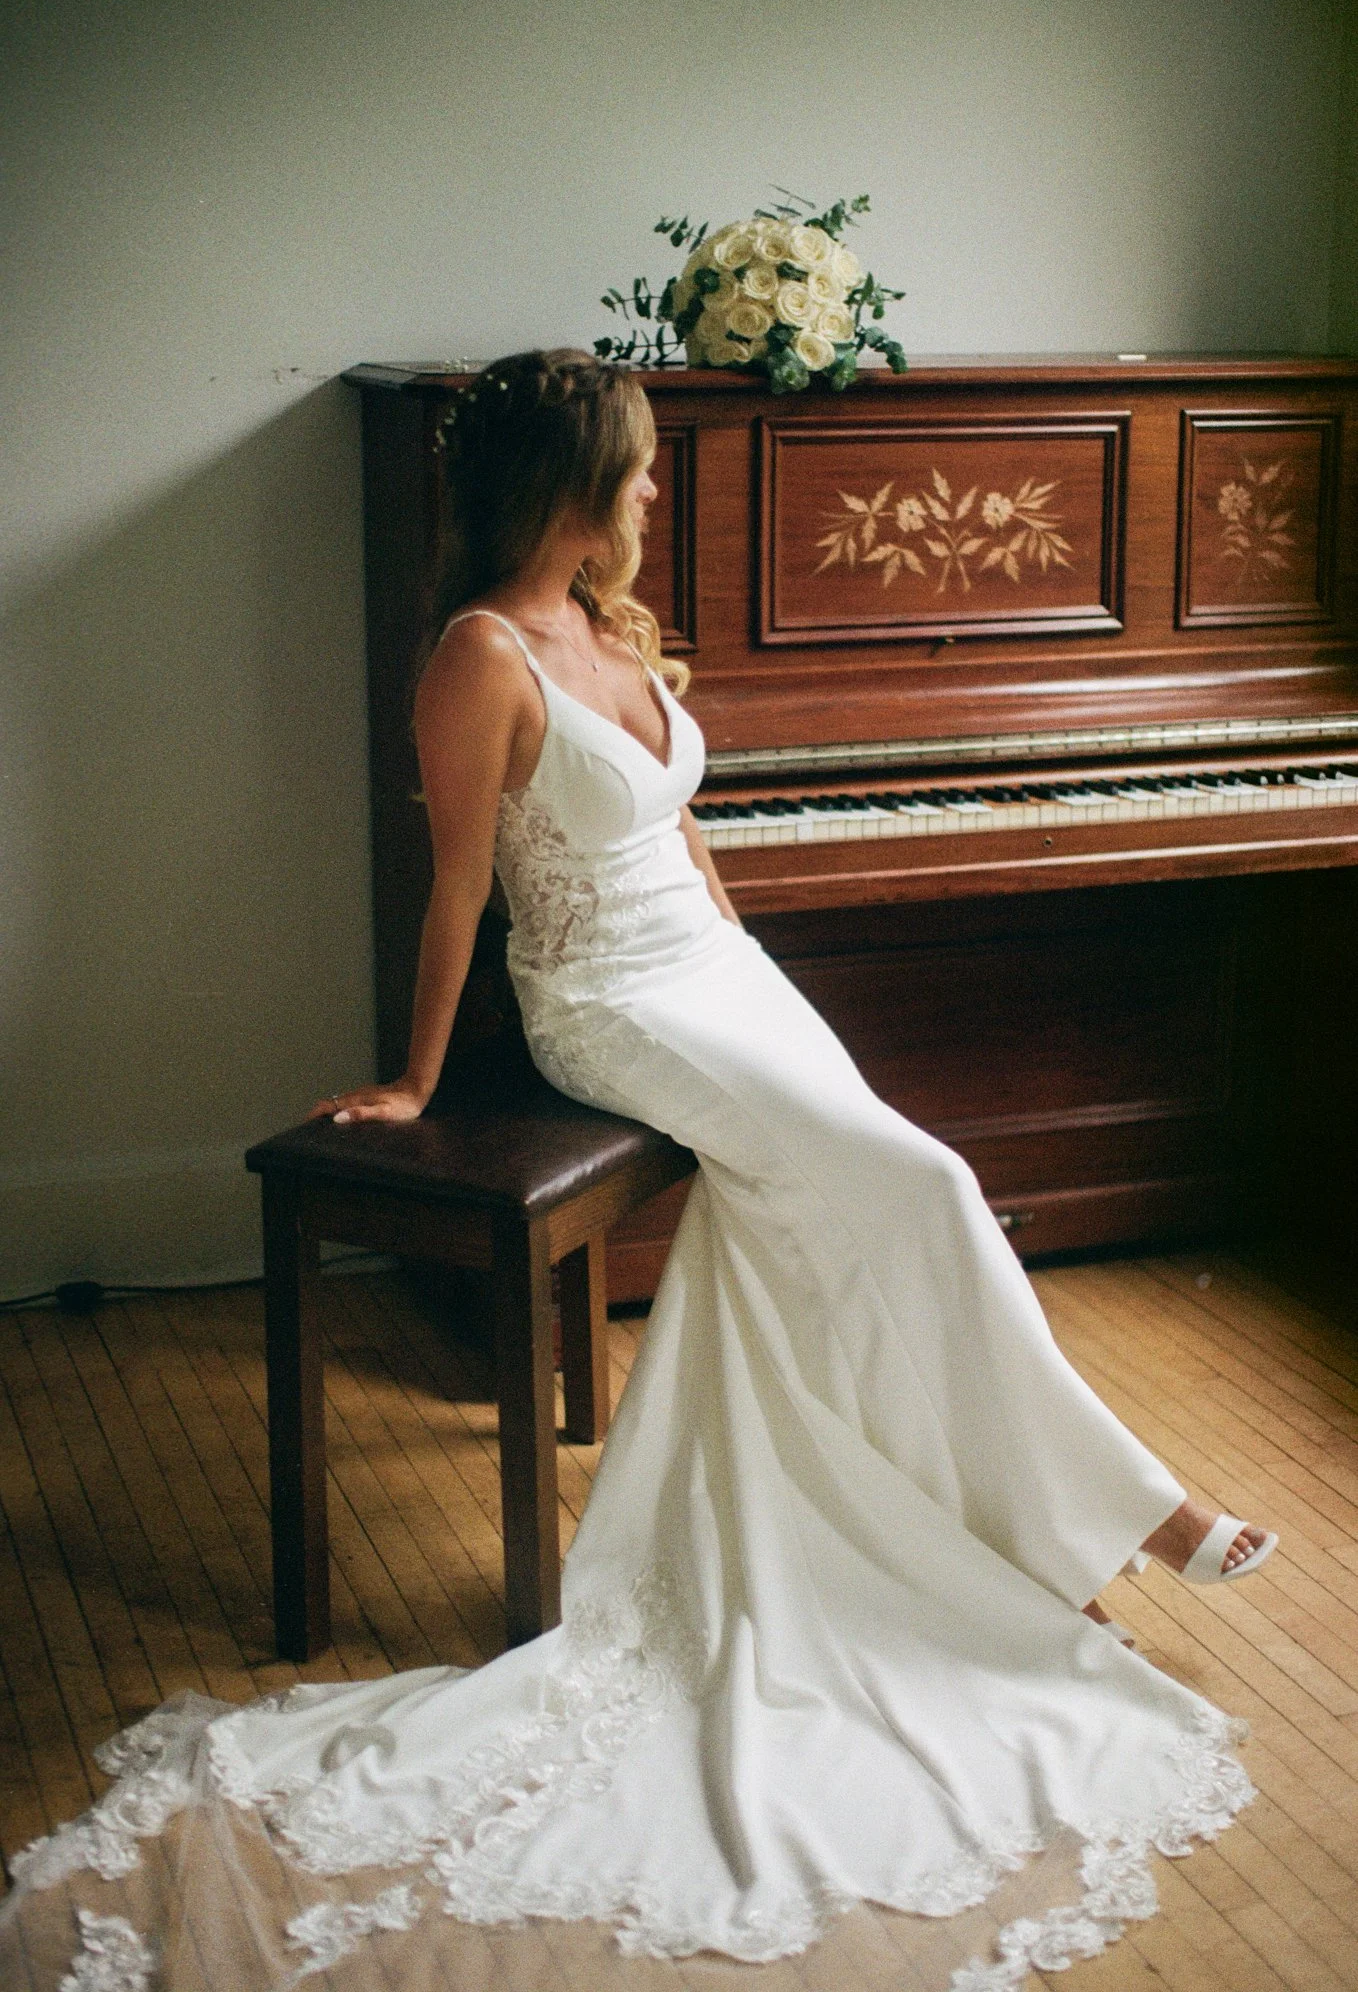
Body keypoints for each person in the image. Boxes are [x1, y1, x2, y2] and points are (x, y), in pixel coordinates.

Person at [2, 350, 1277, 1991]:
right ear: (570, 482)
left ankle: (988, 1560)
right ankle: (1138, 1514)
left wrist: (765, 987)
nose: (658, 494)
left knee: (838, 1213)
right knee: (932, 1193)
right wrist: (411, 1076)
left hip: (718, 978)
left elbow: (686, 833)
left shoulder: (610, 626)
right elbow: (459, 884)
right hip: (607, 1001)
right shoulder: (476, 656)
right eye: (642, 470)